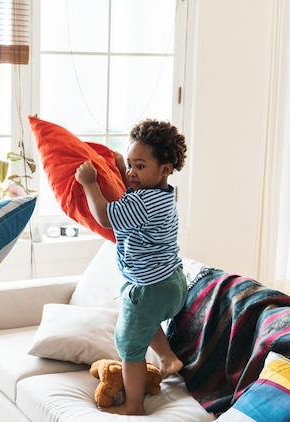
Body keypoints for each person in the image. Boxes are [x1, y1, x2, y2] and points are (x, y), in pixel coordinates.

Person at [75, 119, 188, 416]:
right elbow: (135, 194)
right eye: (130, 164)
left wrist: (89, 182)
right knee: (144, 322)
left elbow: (104, 217)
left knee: (129, 345)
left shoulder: (143, 204)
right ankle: (167, 359)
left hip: (150, 289)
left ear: (164, 169)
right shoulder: (162, 195)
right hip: (171, 281)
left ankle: (134, 404)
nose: (131, 173)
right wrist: (123, 168)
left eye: (139, 166)